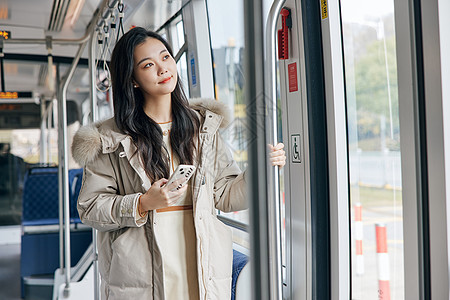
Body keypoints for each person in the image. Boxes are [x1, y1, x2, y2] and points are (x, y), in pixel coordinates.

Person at [71, 27, 286, 300]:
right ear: (133, 79)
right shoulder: (109, 139)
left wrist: (259, 172)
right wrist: (142, 203)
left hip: (200, 265)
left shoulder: (204, 129)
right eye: (148, 64)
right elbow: (90, 209)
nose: (163, 68)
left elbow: (226, 196)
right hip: (140, 274)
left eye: (166, 57)